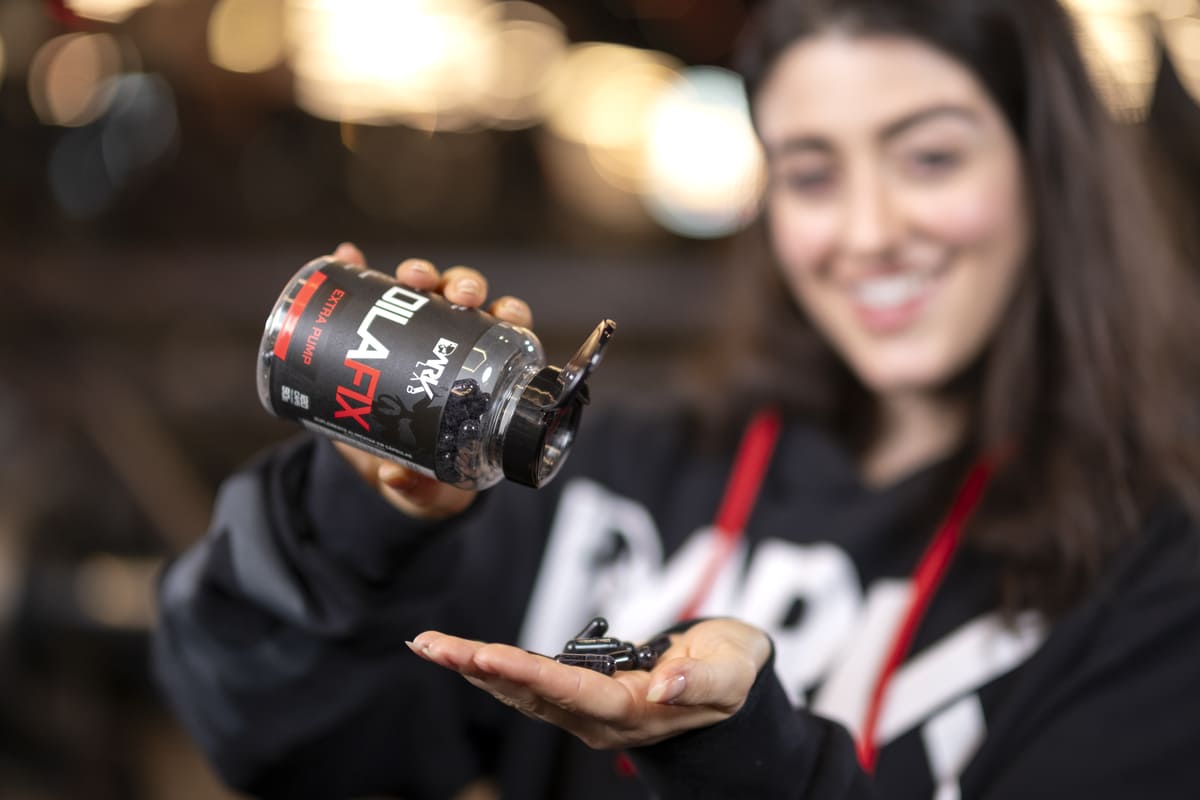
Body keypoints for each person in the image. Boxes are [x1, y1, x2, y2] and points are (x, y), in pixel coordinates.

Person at [152, 0, 1200, 797]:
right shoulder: (610, 473)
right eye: (812, 173)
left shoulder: (1159, 583)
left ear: (1043, 172)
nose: (870, 231)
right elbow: (276, 740)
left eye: (929, 157)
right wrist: (365, 520)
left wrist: (748, 756)